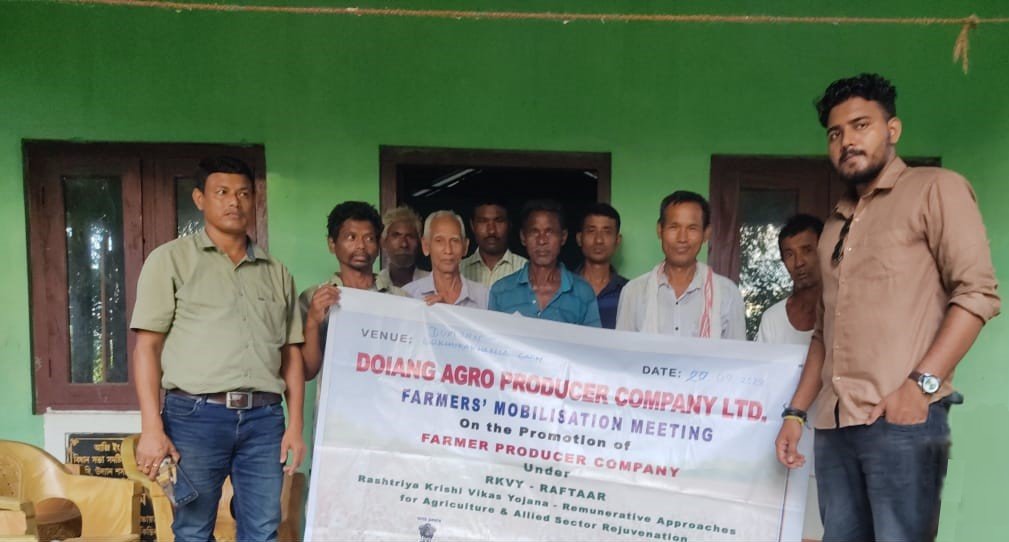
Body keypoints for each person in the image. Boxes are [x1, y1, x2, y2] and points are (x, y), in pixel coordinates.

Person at [774, 73, 1000, 542]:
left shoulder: (936, 189)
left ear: (892, 129)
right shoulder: (833, 227)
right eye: (835, 133)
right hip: (834, 425)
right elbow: (823, 334)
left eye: (861, 125)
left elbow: (977, 293)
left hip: (903, 423)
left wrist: (920, 387)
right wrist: (795, 413)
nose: (847, 141)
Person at [130, 156, 305, 541]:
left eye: (243, 193)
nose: (234, 202)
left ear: (254, 200)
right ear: (200, 198)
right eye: (222, 192)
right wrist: (151, 427)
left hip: (264, 421)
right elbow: (147, 348)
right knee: (193, 530)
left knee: (263, 530)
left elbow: (291, 354)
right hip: (195, 417)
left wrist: (295, 425)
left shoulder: (277, 272)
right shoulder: (170, 261)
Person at [615, 191, 745, 339]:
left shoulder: (727, 293)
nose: (682, 238)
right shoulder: (633, 292)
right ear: (660, 230)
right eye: (674, 227)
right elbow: (622, 351)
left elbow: (736, 352)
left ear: (706, 234)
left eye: (692, 228)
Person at [299, 201, 406, 380]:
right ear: (332, 244)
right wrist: (312, 321)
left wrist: (436, 311)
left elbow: (416, 361)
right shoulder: (314, 298)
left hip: (387, 397)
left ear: (379, 246)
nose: (361, 246)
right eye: (351, 237)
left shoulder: (400, 299)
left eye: (369, 238)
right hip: (335, 398)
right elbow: (308, 371)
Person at [489, 200, 600, 327]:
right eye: (534, 232)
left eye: (549, 232)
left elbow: (593, 339)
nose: (542, 241)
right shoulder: (500, 291)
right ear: (523, 237)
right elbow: (490, 338)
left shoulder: (583, 292)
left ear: (563, 237)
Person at [756, 214, 824, 344]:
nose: (799, 262)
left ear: (824, 251)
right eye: (790, 254)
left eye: (807, 250)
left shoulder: (841, 312)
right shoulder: (772, 319)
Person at [404, 210, 489, 309]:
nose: (448, 250)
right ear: (426, 246)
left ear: (465, 247)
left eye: (455, 241)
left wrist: (447, 312)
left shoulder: (485, 297)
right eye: (439, 241)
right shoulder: (408, 295)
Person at [575, 203, 628, 329]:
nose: (598, 240)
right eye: (591, 231)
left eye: (607, 232)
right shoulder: (563, 288)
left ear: (617, 240)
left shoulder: (629, 292)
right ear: (579, 238)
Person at [460, 199, 527, 287]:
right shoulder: (458, 270)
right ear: (472, 225)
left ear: (509, 224)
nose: (491, 231)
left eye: (499, 221)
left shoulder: (525, 269)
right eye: (483, 221)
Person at [379, 205, 429, 288]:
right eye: (396, 235)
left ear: (419, 242)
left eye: (410, 236)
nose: (404, 244)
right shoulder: (374, 286)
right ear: (383, 242)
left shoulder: (432, 283)